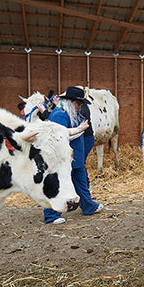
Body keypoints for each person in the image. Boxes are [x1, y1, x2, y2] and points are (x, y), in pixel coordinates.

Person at [43, 86, 103, 224]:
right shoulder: (59, 115)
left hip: (76, 158)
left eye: (81, 104)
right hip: (63, 159)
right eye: (78, 103)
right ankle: (50, 215)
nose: (79, 106)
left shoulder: (72, 113)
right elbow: (59, 136)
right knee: (59, 185)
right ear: (69, 102)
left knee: (81, 183)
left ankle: (88, 206)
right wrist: (80, 129)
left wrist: (80, 130)